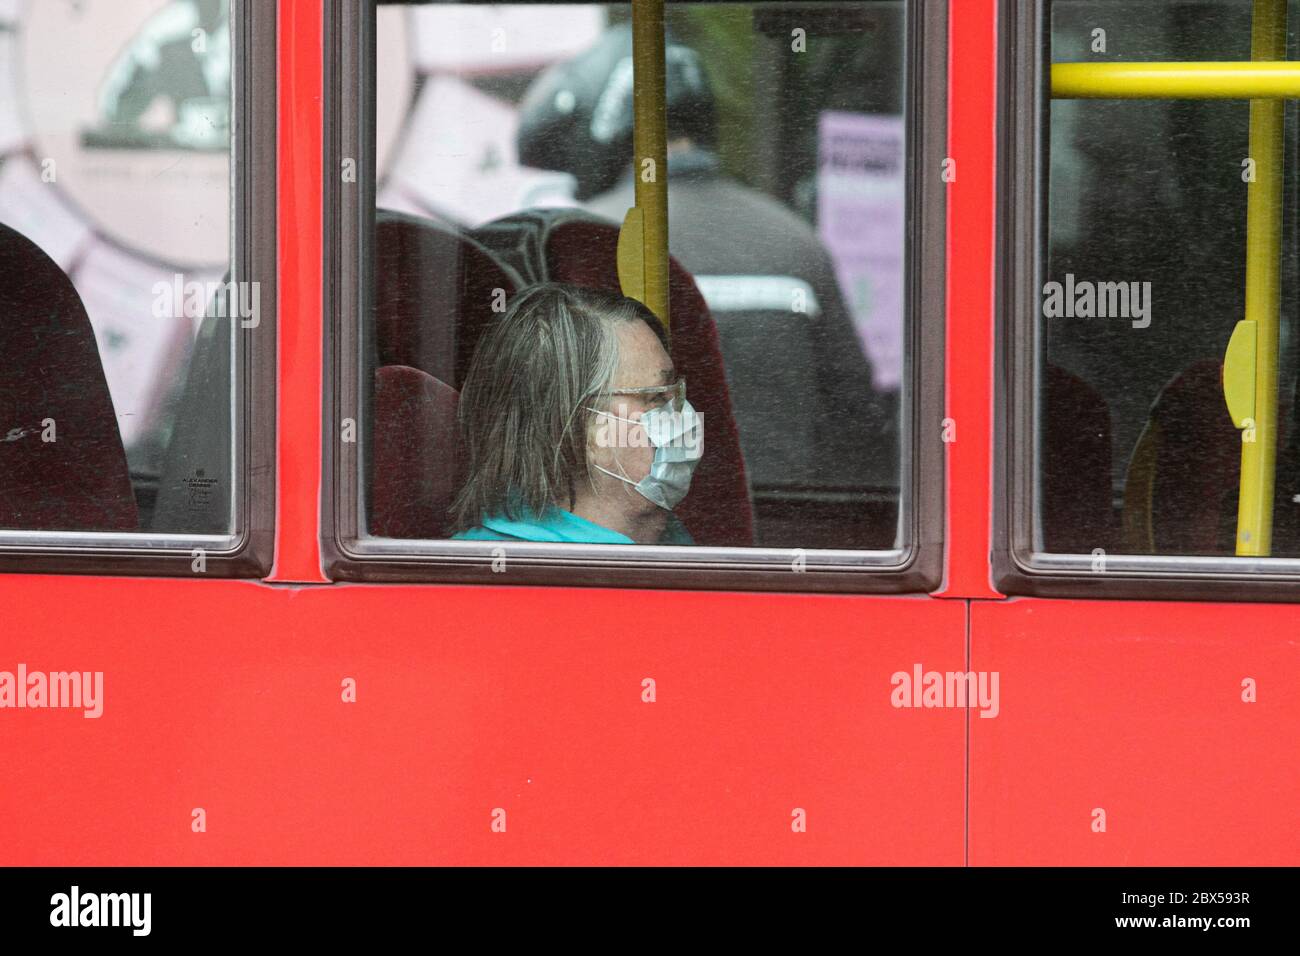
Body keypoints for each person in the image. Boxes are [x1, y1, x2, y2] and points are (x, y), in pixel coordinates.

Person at [516, 24, 890, 502]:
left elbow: (528, 425)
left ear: (601, 130)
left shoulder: (580, 241)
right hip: (780, 544)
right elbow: (857, 417)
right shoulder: (796, 244)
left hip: (621, 539)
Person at [451, 283, 703, 545]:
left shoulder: (660, 539)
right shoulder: (504, 573)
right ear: (574, 424)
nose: (683, 413)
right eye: (656, 397)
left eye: (676, 392)